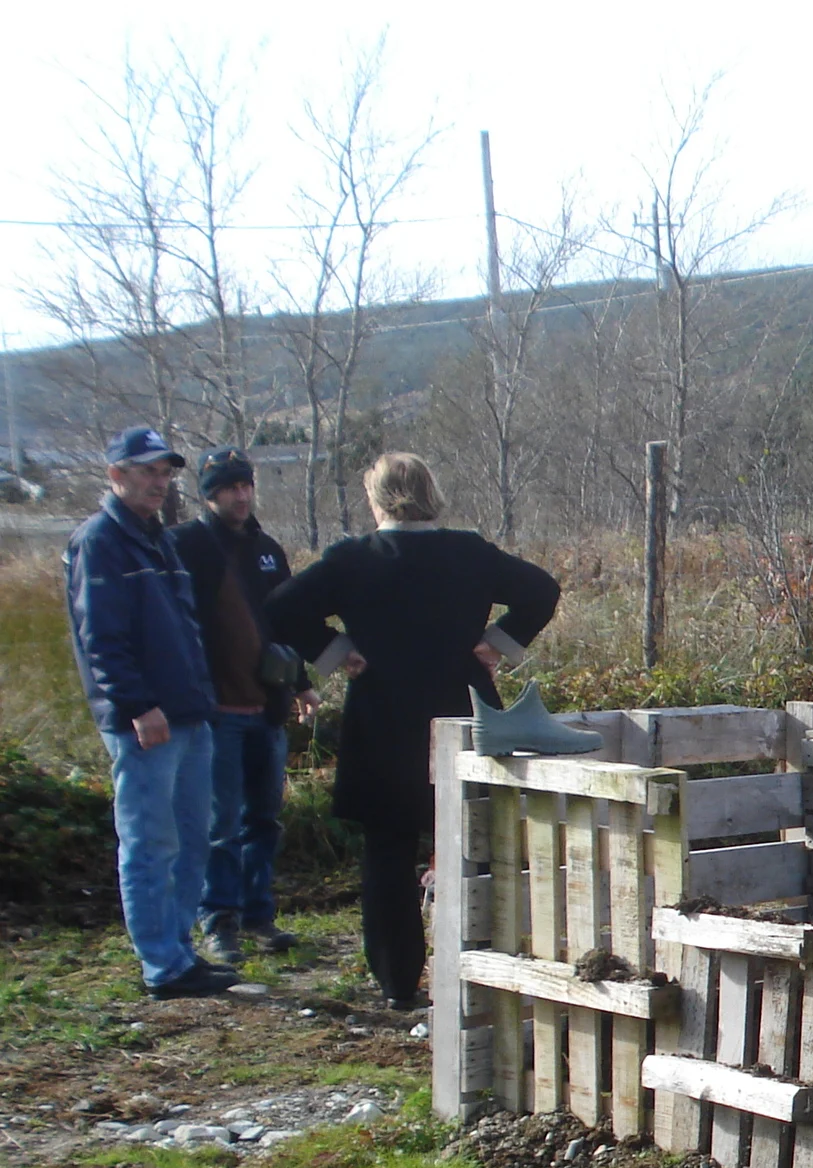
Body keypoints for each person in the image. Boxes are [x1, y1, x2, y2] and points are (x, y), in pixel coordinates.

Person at [265, 453, 560, 1010]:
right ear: (432, 493)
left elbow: (280, 607)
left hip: (383, 717)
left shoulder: (352, 559)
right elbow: (541, 590)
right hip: (462, 710)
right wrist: (496, 643)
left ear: (375, 498)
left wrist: (336, 650)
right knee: (476, 846)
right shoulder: (468, 553)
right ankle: (479, 972)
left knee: (387, 854)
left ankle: (398, 984)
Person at [63, 426, 237, 999]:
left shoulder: (158, 539)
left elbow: (183, 629)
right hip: (146, 720)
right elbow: (101, 638)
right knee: (150, 842)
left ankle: (180, 952)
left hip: (189, 712)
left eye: (165, 473)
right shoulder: (101, 541)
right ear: (115, 475)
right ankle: (161, 964)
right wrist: (138, 706)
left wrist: (201, 699)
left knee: (191, 838)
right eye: (147, 472)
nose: (159, 483)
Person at [173, 448, 311, 967]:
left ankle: (258, 915)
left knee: (264, 821)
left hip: (267, 709)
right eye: (230, 487)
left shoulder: (267, 550)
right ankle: (219, 921)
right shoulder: (185, 545)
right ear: (209, 494)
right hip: (216, 711)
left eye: (246, 485)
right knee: (220, 826)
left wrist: (301, 684)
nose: (241, 495)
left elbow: (286, 623)